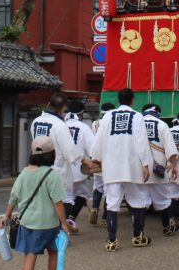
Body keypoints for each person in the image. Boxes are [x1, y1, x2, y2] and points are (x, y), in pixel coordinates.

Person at [1, 136, 72, 270]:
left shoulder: (24, 173)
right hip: (49, 224)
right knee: (53, 253)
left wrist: (7, 215)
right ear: (51, 155)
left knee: (29, 256)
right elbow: (58, 202)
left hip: (28, 223)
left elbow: (14, 197)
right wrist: (64, 223)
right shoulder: (52, 175)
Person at [91, 88, 152, 250]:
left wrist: (95, 158)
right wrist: (146, 164)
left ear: (119, 100)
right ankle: (138, 237)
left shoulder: (108, 116)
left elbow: (99, 139)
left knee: (112, 203)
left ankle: (112, 241)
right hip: (132, 166)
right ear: (132, 100)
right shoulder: (138, 117)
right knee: (137, 201)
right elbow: (141, 142)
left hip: (112, 166)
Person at [29, 93, 84, 232]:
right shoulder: (59, 125)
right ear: (62, 109)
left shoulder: (36, 121)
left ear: (48, 104)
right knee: (63, 201)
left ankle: (44, 229)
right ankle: (59, 230)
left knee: (44, 201)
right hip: (57, 169)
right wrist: (85, 160)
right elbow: (70, 150)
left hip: (38, 167)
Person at [141, 104, 179, 236]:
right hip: (158, 169)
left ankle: (138, 232)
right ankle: (167, 226)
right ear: (157, 112)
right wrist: (174, 165)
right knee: (162, 200)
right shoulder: (162, 125)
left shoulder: (136, 123)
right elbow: (171, 149)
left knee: (140, 201)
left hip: (139, 169)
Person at [63, 98, 95, 232]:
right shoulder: (84, 128)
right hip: (79, 169)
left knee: (66, 197)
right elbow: (93, 149)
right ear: (81, 114)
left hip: (62, 168)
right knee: (82, 194)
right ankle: (66, 223)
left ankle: (66, 223)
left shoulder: (60, 125)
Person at [88, 102, 115, 226]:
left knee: (97, 186)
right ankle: (105, 217)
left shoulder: (95, 123)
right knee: (109, 190)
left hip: (97, 159)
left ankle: (94, 208)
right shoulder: (112, 123)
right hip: (110, 159)